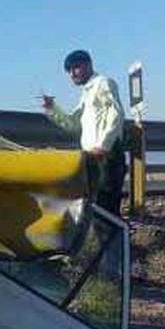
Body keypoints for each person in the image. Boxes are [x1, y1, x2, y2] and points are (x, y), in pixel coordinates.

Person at [42, 49, 126, 216]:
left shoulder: (103, 83)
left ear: (88, 65)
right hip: (91, 157)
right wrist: (52, 110)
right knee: (94, 207)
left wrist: (103, 146)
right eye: (69, 71)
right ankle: (102, 241)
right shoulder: (86, 94)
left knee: (106, 208)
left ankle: (115, 242)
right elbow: (74, 126)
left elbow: (117, 114)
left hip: (106, 156)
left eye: (76, 68)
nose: (72, 74)